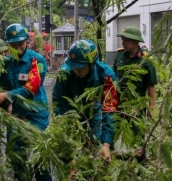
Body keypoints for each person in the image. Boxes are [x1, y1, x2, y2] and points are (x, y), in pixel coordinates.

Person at [0, 23, 53, 181]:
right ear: (8, 45)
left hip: (36, 116)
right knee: (16, 156)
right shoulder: (5, 63)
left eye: (20, 44)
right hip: (15, 116)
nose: (17, 48)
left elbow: (32, 86)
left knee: (39, 156)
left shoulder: (37, 61)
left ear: (27, 42)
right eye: (13, 45)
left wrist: (6, 95)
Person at [53, 40, 117, 163]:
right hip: (70, 115)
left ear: (92, 63)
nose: (77, 71)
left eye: (81, 67)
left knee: (94, 151)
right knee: (66, 157)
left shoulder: (106, 75)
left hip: (93, 114)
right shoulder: (64, 73)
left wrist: (106, 143)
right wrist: (68, 149)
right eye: (74, 66)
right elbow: (59, 105)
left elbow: (110, 109)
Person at [114, 26, 157, 160]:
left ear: (134, 41)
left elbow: (151, 86)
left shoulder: (146, 60)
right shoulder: (119, 55)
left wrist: (151, 107)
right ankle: (112, 160)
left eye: (125, 40)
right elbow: (113, 79)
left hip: (136, 106)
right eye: (122, 39)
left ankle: (139, 166)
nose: (123, 42)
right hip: (118, 103)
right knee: (114, 132)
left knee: (137, 137)